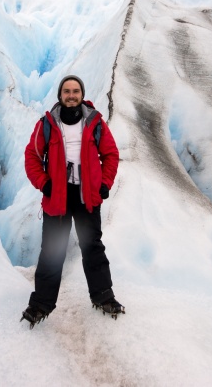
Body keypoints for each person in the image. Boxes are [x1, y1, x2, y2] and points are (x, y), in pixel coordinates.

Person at [20, 75, 124, 328]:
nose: (71, 95)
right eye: (67, 91)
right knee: (52, 252)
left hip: (87, 196)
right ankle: (40, 304)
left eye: (75, 91)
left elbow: (110, 155)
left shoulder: (95, 122)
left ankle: (103, 297)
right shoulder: (47, 124)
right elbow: (32, 156)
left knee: (92, 247)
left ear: (82, 94)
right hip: (57, 196)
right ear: (60, 95)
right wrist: (44, 183)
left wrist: (104, 184)